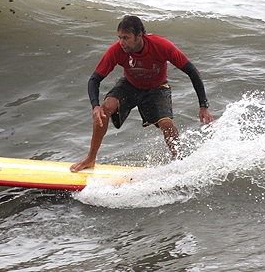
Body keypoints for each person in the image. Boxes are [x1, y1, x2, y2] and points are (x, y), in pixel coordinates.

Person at [70, 16, 213, 173]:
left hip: (157, 88)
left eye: (126, 38)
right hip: (130, 85)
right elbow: (94, 79)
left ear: (139, 36)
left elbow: (192, 72)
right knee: (103, 111)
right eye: (119, 37)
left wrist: (203, 106)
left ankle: (179, 163)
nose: (121, 42)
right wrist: (95, 106)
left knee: (167, 125)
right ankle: (91, 158)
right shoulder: (117, 50)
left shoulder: (161, 46)